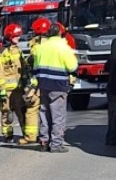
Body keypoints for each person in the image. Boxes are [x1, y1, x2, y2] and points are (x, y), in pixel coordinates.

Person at [29, 16, 79, 153]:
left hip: (43, 86)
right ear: (60, 33)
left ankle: (44, 142)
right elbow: (73, 67)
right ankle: (56, 144)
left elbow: (35, 70)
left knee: (44, 114)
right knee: (58, 116)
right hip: (59, 86)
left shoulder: (39, 48)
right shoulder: (64, 48)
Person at [0, 24, 27, 144]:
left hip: (18, 90)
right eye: (17, 36)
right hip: (6, 91)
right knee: (7, 114)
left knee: (22, 111)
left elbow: (23, 67)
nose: (19, 38)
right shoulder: (1, 53)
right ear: (10, 36)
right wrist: (2, 90)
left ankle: (27, 135)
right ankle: (8, 136)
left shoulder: (18, 50)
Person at [104, 38, 116, 146]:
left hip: (111, 88)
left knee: (112, 116)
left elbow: (106, 68)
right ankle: (114, 139)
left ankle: (111, 138)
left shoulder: (111, 58)